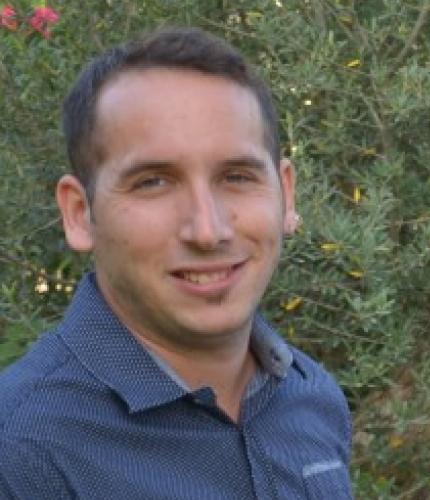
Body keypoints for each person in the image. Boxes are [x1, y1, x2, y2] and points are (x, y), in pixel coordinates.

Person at [0, 28, 352, 499]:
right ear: (80, 213)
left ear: (286, 195)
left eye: (237, 176)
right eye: (153, 182)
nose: (208, 230)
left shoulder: (312, 398)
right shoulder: (21, 452)